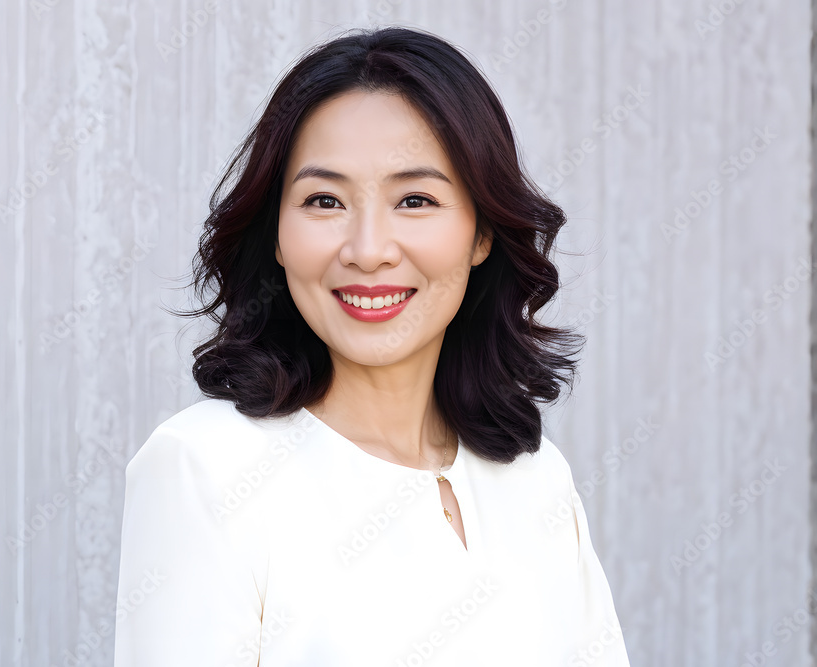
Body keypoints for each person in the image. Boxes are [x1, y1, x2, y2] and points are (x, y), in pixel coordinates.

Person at [114, 25, 631, 666]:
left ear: (481, 234)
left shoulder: (535, 477)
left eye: (415, 200)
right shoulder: (205, 469)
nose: (367, 250)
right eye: (324, 200)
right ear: (276, 234)